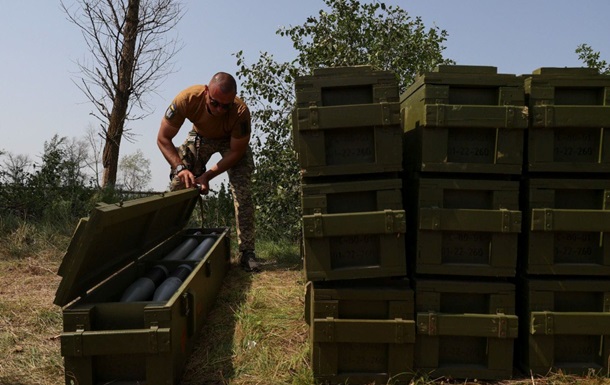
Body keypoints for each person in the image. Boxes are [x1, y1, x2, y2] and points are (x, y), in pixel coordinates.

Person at [157, 72, 259, 272]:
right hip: (201, 137)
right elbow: (163, 138)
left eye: (225, 105)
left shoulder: (240, 113)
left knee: (243, 192)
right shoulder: (187, 99)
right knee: (179, 182)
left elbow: (236, 152)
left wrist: (207, 176)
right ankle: (166, 241)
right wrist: (180, 168)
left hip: (231, 142)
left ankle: (247, 252)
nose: (220, 110)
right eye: (214, 103)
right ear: (206, 92)